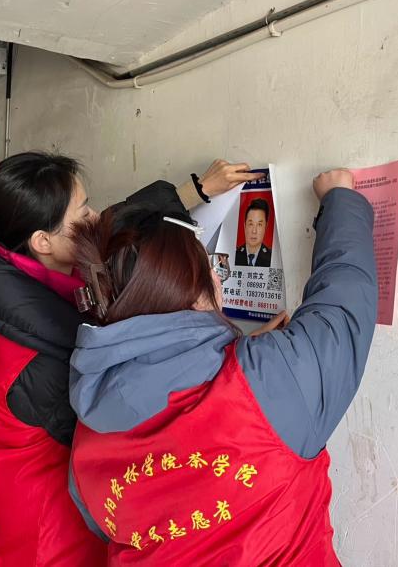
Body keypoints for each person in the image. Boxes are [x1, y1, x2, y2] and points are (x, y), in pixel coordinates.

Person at [0, 151, 260, 566]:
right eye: (83, 209)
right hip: (45, 540)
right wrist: (238, 361)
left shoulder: (9, 276)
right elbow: (137, 425)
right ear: (43, 241)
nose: (95, 216)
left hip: (9, 508)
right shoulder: (41, 360)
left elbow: (113, 223)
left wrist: (194, 191)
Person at [68, 169, 377, 565]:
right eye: (208, 266)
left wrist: (241, 358)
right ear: (197, 297)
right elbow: (343, 313)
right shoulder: (270, 382)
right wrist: (340, 199)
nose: (217, 275)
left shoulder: (87, 430)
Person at [234, 198, 272, 267]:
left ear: (265, 227)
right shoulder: (234, 254)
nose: (254, 231)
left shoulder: (271, 257)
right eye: (251, 224)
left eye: (259, 224)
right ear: (245, 226)